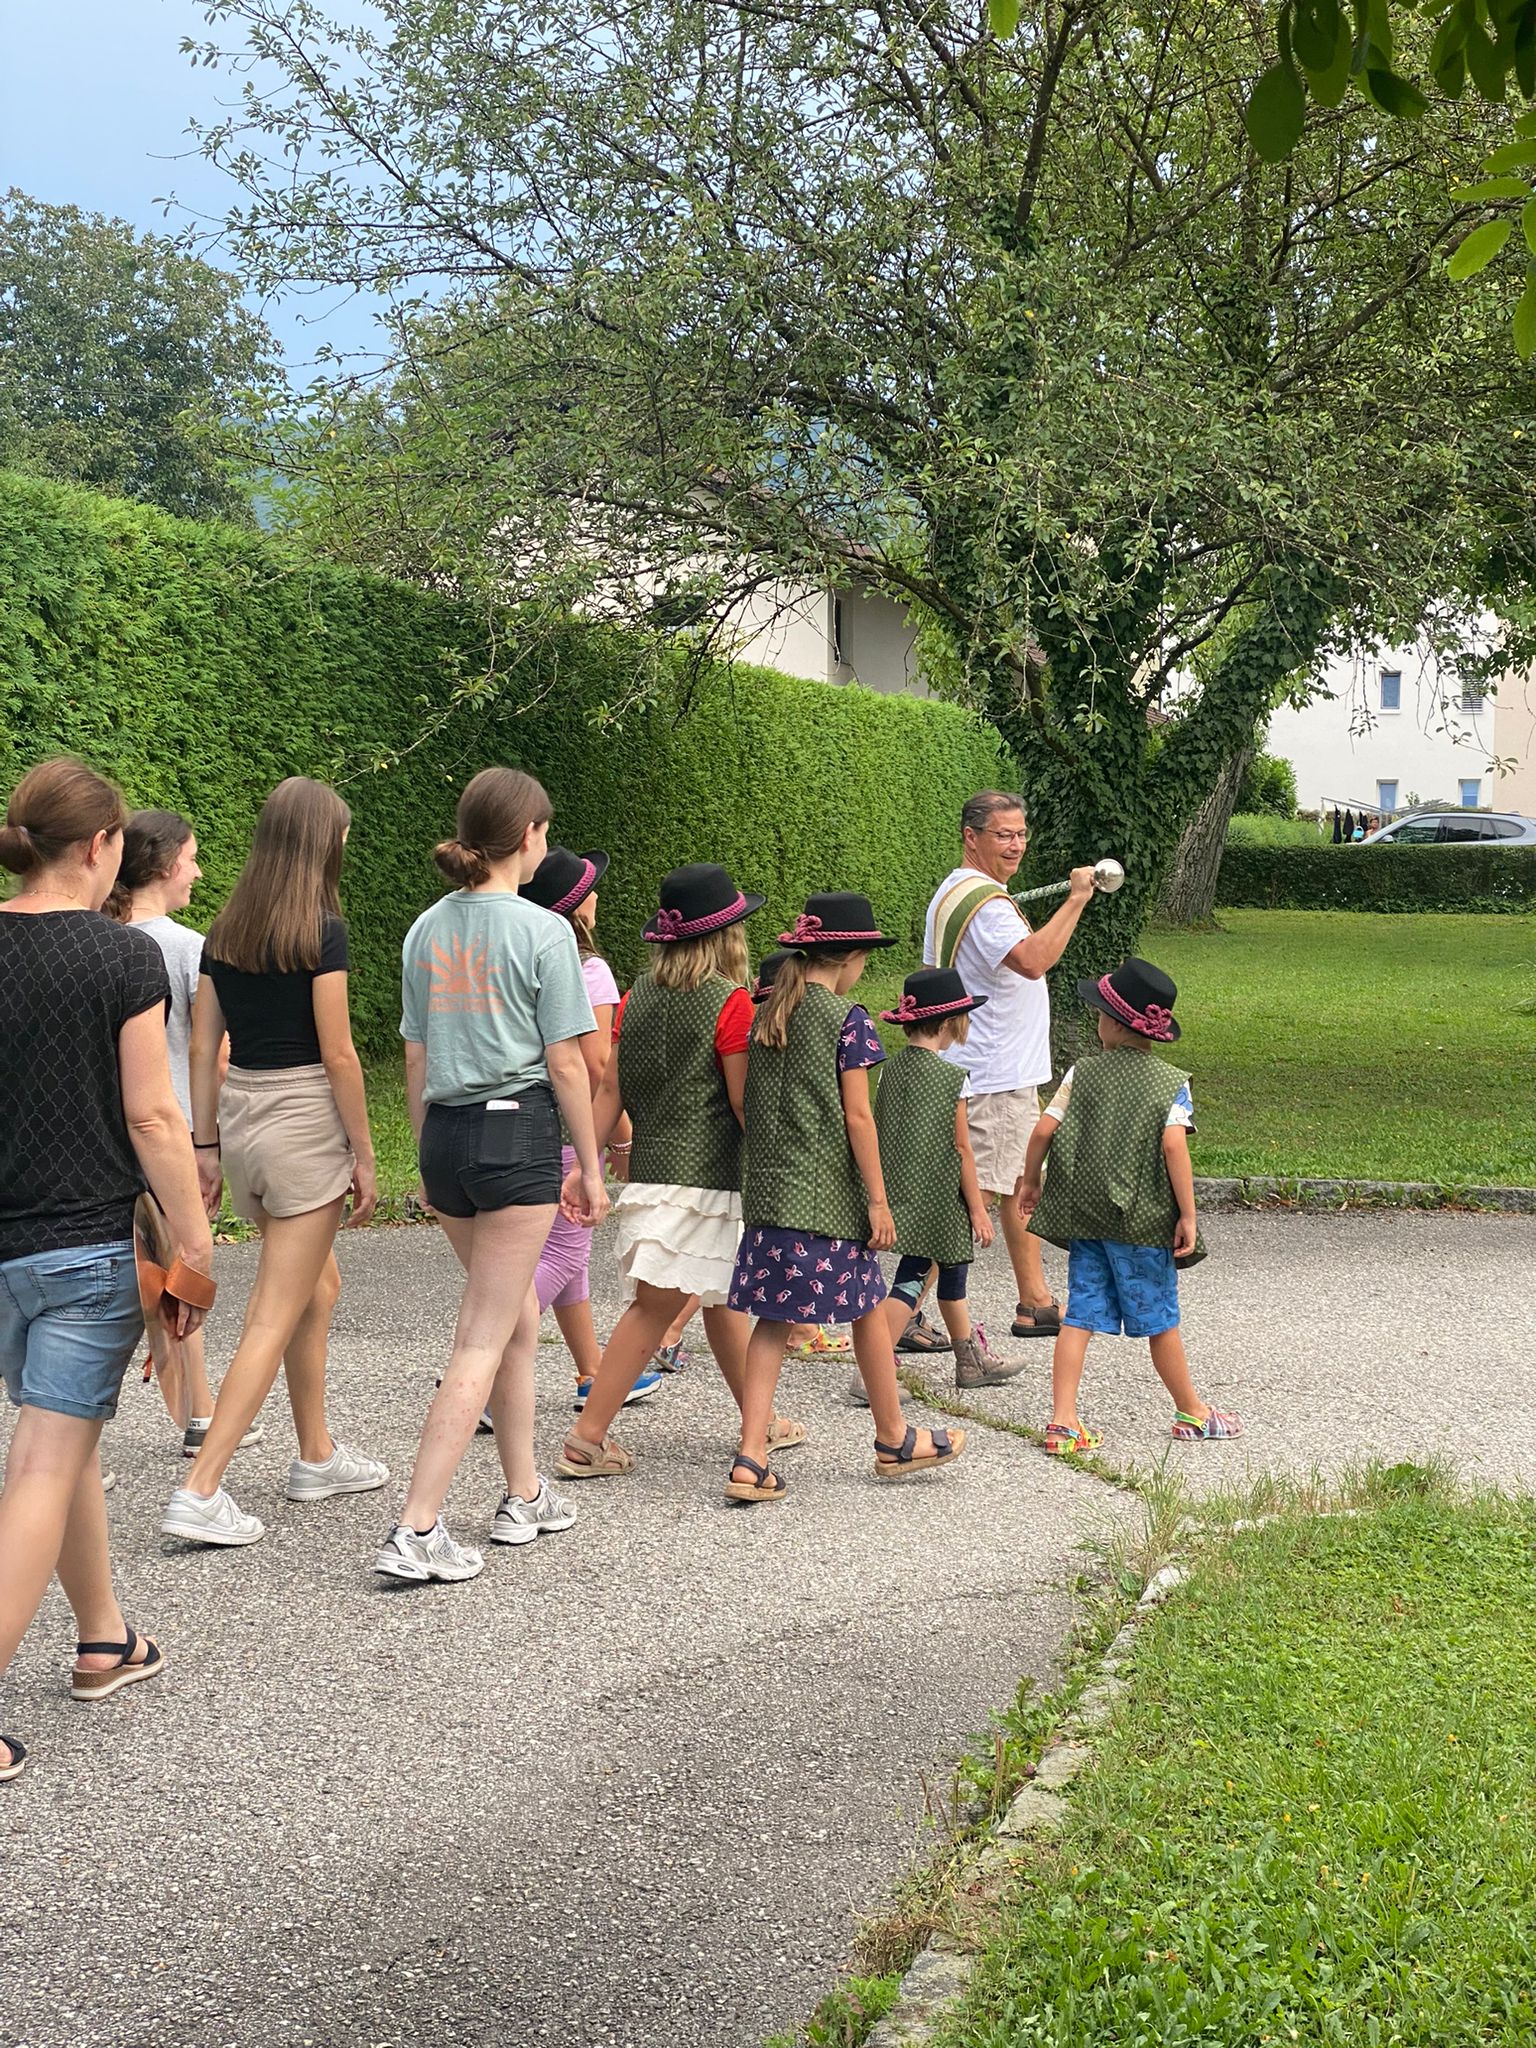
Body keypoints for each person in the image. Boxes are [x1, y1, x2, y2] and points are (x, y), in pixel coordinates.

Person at [1, 758, 213, 1784]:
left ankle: (102, 1638)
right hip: (86, 1246)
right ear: (101, 846)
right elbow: (152, 1114)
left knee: (60, 1435)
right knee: (44, 1458)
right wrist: (194, 1237)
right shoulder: (119, 959)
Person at [375, 769, 609, 1583]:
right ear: (532, 835)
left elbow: (415, 1053)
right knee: (483, 1331)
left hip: (444, 1137)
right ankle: (417, 1526)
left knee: (511, 1321)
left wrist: (429, 1150)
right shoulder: (542, 931)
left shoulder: (424, 928)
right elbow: (568, 1065)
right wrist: (589, 1164)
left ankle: (526, 1492)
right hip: (518, 1135)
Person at [161, 778, 387, 1548]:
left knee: (317, 1283)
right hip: (301, 1122)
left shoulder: (225, 928)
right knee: (273, 1311)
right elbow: (339, 1052)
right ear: (324, 842)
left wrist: (206, 1145)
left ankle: (316, 1455)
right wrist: (364, 1152)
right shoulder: (322, 930)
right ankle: (202, 1487)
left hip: (243, 1119)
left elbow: (200, 1045)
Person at [558, 863, 808, 1482]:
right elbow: (744, 1102)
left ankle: (761, 1419)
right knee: (654, 1307)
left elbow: (610, 1086)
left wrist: (586, 1164)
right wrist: (786, 1168)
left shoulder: (637, 996)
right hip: (705, 1181)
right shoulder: (730, 1004)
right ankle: (587, 1438)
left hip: (650, 1175)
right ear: (727, 937)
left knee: (722, 1299)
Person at [726, 892, 967, 1502]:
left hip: (771, 1193)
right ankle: (893, 1439)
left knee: (774, 1320)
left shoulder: (768, 1013)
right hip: (829, 1199)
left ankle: (752, 1456)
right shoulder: (847, 1020)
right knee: (864, 1306)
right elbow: (859, 1117)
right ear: (851, 955)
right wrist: (880, 1201)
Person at [1016, 958, 1243, 1455]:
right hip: (1142, 1224)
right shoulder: (1170, 1082)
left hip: (1088, 1218)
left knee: (1080, 1315)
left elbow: (1043, 1130)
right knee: (1160, 1318)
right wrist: (1188, 1214)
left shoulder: (1083, 1072)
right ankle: (1192, 1411)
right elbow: (1173, 1147)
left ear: (1115, 1023)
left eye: (1099, 1012)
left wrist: (1031, 1181)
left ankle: (1063, 1422)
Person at [106, 808, 262, 1458]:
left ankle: (173, 1416)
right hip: (170, 1129)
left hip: (108, 1134)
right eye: (192, 858)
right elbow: (213, 1049)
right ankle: (199, 1416)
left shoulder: (100, 939)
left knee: (133, 1276)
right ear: (168, 865)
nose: (198, 870)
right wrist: (216, 1140)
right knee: (183, 1273)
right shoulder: (187, 946)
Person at [923, 791, 1098, 1341]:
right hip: (993, 1074)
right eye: (1003, 835)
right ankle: (900, 1312)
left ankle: (1035, 1301)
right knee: (969, 1196)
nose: (1016, 845)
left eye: (1021, 833)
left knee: (1015, 1183)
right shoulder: (990, 906)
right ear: (971, 837)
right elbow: (1033, 960)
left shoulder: (954, 891)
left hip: (985, 1068)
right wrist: (1076, 900)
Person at [519, 843, 662, 1411]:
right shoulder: (591, 969)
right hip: (571, 1130)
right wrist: (621, 1136)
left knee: (564, 1249)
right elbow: (600, 1067)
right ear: (579, 906)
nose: (598, 892)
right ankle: (482, 1372)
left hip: (529, 1123)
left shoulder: (526, 957)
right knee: (562, 1252)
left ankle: (592, 1373)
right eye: (591, 887)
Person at [870, 967, 1024, 1393]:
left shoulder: (890, 1070)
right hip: (940, 1199)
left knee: (952, 1281)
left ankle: (970, 1360)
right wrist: (977, 1209)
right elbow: (961, 1148)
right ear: (950, 1022)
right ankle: (872, 1371)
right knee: (913, 1279)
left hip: (901, 1189)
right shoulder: (954, 1077)